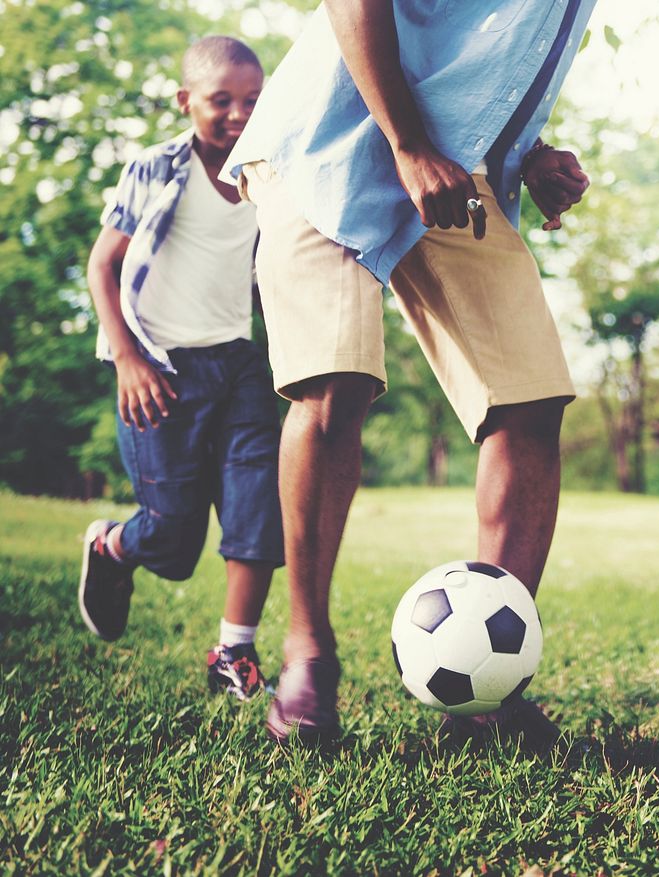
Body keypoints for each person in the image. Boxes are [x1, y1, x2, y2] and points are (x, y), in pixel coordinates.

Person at [223, 0, 597, 747]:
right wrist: (406, 142)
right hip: (326, 138)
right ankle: (308, 654)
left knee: (529, 396)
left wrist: (530, 152)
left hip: (456, 163)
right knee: (336, 381)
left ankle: (487, 690)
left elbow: (489, 54)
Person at [79, 36, 284, 701]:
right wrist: (127, 360)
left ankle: (234, 650)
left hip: (239, 365)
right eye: (220, 100)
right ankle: (113, 545)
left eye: (251, 100)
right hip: (160, 365)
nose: (237, 113)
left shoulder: (269, 171)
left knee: (257, 513)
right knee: (171, 539)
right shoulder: (156, 166)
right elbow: (101, 264)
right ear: (185, 100)